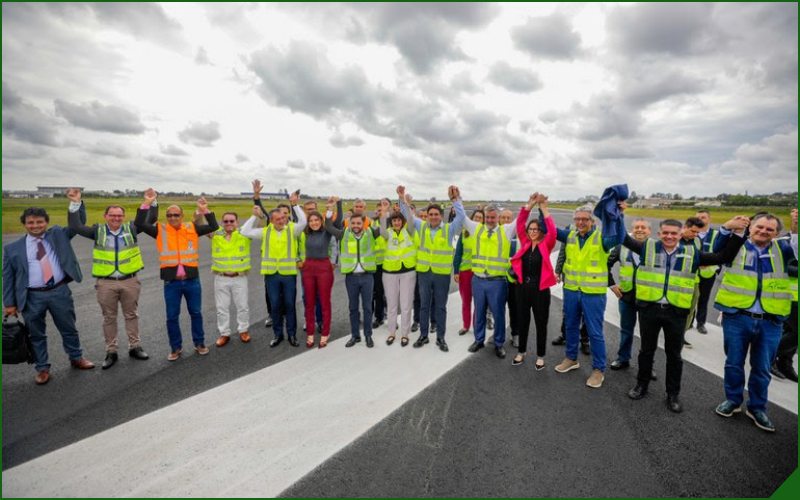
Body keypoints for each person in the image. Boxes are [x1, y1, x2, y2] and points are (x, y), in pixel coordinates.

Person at [624, 216, 748, 412]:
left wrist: (736, 232)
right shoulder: (646, 247)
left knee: (675, 355)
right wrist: (613, 210)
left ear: (680, 234)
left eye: (674, 233)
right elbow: (622, 237)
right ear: (659, 234)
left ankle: (672, 394)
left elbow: (723, 256)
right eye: (665, 233)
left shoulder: (692, 254)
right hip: (650, 310)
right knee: (646, 351)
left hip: (676, 312)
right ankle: (642, 385)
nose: (669, 236)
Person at [714, 212, 798, 432]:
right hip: (737, 316)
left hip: (770, 320)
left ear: (777, 233)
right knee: (733, 362)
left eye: (770, 229)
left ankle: (757, 407)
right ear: (750, 227)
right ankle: (733, 400)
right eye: (759, 227)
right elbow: (717, 248)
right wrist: (726, 226)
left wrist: (796, 227)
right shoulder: (737, 246)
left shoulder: (784, 249)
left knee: (761, 368)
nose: (764, 232)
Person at [3, 206, 95, 384]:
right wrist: (9, 303)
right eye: (31, 222)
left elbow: (78, 223)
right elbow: (8, 277)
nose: (35, 225)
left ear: (46, 222)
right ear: (24, 224)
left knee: (68, 328)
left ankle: (76, 358)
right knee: (36, 334)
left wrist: (76, 203)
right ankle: (42, 368)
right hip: (31, 297)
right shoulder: (12, 249)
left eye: (40, 221)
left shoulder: (59, 235)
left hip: (59, 292)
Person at [66, 188, 152, 369]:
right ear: (106, 216)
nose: (116, 218)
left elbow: (147, 220)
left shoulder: (132, 229)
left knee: (131, 315)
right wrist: (75, 203)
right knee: (109, 318)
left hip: (130, 280)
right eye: (112, 215)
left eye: (119, 216)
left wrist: (148, 202)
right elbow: (76, 227)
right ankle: (111, 351)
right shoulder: (98, 231)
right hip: (106, 282)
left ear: (123, 216)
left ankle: (135, 346)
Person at [136, 190, 219, 360]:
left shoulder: (192, 227)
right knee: (172, 317)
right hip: (171, 282)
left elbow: (213, 227)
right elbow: (140, 224)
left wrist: (205, 211)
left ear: (182, 216)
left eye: (176, 215)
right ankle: (175, 347)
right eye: (169, 215)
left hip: (192, 281)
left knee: (196, 313)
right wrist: (147, 203)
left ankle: (199, 343)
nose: (172, 218)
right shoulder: (160, 229)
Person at [554, 202, 626, 388]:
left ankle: (598, 370)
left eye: (584, 219)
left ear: (592, 221)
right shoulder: (570, 236)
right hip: (571, 290)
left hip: (593, 294)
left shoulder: (601, 238)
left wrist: (619, 215)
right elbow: (548, 228)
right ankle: (571, 359)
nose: (580, 222)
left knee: (594, 332)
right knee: (570, 325)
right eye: (577, 219)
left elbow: (619, 236)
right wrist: (542, 207)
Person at [400, 185, 466, 352]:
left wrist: (456, 200)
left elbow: (461, 217)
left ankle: (440, 338)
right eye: (430, 214)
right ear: (427, 216)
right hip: (424, 273)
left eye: (436, 214)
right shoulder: (421, 226)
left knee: (441, 307)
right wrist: (402, 198)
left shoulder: (449, 229)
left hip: (441, 275)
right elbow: (407, 214)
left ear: (441, 216)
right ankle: (423, 336)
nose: (433, 217)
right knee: (423, 305)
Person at [239, 191, 306, 348]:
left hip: (288, 274)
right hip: (271, 275)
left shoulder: (292, 229)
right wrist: (254, 216)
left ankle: (292, 334)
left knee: (289, 304)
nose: (282, 221)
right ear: (272, 221)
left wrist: (295, 205)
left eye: (283, 218)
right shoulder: (266, 232)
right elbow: (244, 231)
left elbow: (303, 222)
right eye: (278, 219)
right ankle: (278, 335)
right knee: (275, 306)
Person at [462, 201, 519, 359]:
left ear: (498, 218)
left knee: (498, 314)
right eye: (488, 217)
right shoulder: (477, 228)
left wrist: (530, 204)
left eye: (493, 217)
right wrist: (456, 200)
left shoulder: (505, 231)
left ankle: (499, 343)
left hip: (497, 281)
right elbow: (462, 216)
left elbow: (520, 220)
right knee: (479, 312)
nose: (490, 220)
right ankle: (478, 340)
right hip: (478, 280)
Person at [509, 194, 557, 368]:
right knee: (523, 322)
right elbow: (520, 223)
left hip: (540, 291)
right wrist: (528, 205)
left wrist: (543, 208)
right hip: (522, 290)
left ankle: (540, 356)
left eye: (536, 229)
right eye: (530, 229)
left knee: (540, 324)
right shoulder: (525, 243)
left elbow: (553, 231)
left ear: (540, 232)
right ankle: (521, 352)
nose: (532, 231)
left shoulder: (546, 244)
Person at [325, 207, 382, 347]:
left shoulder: (370, 233)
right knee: (353, 308)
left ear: (364, 224)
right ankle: (355, 336)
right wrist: (329, 211)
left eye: (358, 223)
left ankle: (368, 335)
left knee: (368, 308)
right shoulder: (343, 234)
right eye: (353, 223)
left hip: (367, 277)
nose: (356, 226)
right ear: (349, 223)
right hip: (351, 278)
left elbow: (384, 229)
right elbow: (328, 226)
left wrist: (384, 214)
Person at [607, 218, 652, 371]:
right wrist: (612, 285)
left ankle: (648, 365)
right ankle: (623, 358)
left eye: (643, 227)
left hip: (649, 299)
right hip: (626, 297)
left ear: (649, 231)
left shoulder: (657, 248)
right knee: (626, 330)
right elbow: (606, 264)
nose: (639, 229)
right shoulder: (622, 246)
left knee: (648, 336)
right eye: (636, 227)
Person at [209, 212, 253, 348]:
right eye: (226, 221)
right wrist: (203, 211)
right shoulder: (216, 235)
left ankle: (243, 330)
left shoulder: (244, 234)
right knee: (222, 308)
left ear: (237, 222)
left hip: (239, 277)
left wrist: (256, 209)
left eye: (232, 221)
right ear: (222, 223)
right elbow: (201, 227)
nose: (229, 223)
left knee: (242, 306)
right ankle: (224, 333)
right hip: (221, 278)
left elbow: (253, 222)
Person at [380, 194, 418, 347]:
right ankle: (391, 333)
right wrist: (384, 212)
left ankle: (405, 334)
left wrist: (404, 201)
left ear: (402, 222)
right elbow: (382, 226)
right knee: (392, 305)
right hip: (389, 273)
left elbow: (409, 218)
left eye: (399, 220)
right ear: (392, 222)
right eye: (394, 220)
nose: (396, 222)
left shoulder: (408, 231)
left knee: (406, 304)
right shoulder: (387, 233)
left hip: (408, 272)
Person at [298, 208, 336, 348]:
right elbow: (297, 247)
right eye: (311, 221)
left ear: (321, 221)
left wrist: (331, 209)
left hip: (324, 268)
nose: (314, 223)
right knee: (309, 302)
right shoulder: (305, 234)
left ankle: (325, 332)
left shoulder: (327, 233)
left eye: (316, 220)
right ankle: (310, 332)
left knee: (325, 302)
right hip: (308, 268)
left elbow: (333, 222)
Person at [452, 209, 485, 335]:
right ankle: (466, 325)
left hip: (479, 272)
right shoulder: (464, 232)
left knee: (479, 302)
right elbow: (458, 253)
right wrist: (456, 271)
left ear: (483, 220)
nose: (477, 219)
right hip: (465, 271)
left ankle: (477, 326)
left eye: (480, 217)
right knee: (466, 301)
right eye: (475, 217)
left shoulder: (485, 233)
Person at [692, 210, 721, 334]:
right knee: (690, 298)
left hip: (708, 272)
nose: (700, 220)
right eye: (697, 217)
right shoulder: (691, 233)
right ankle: (688, 322)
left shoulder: (717, 235)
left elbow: (722, 253)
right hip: (692, 271)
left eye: (703, 217)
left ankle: (700, 323)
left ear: (709, 219)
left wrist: (711, 265)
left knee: (704, 298)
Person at [500, 208, 521, 348]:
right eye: (503, 218)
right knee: (498, 309)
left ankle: (515, 335)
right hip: (498, 279)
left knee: (515, 309)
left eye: (509, 218)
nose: (506, 221)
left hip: (514, 281)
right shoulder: (494, 236)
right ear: (499, 219)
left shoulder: (520, 238)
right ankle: (498, 335)